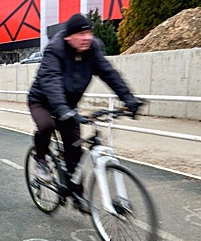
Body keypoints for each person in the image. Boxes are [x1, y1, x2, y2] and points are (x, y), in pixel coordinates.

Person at [28, 13, 141, 212]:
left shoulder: (92, 49)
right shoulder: (55, 50)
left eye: (89, 32)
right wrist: (62, 109)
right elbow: (51, 80)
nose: (86, 37)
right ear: (68, 37)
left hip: (68, 107)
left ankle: (76, 193)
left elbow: (109, 74)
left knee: (75, 152)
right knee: (46, 125)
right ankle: (41, 160)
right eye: (81, 34)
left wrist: (129, 99)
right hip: (43, 101)